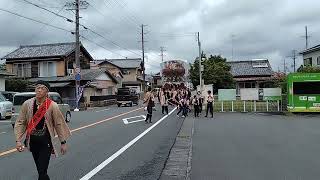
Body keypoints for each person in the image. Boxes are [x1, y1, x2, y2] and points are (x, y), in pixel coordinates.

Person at [14, 80, 71, 180]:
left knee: (42, 170)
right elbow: (20, 122)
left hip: (46, 142)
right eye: (37, 88)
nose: (39, 90)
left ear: (47, 91)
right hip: (33, 141)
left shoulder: (52, 105)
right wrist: (18, 140)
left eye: (42, 88)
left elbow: (59, 123)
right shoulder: (27, 104)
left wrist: (63, 142)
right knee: (41, 171)